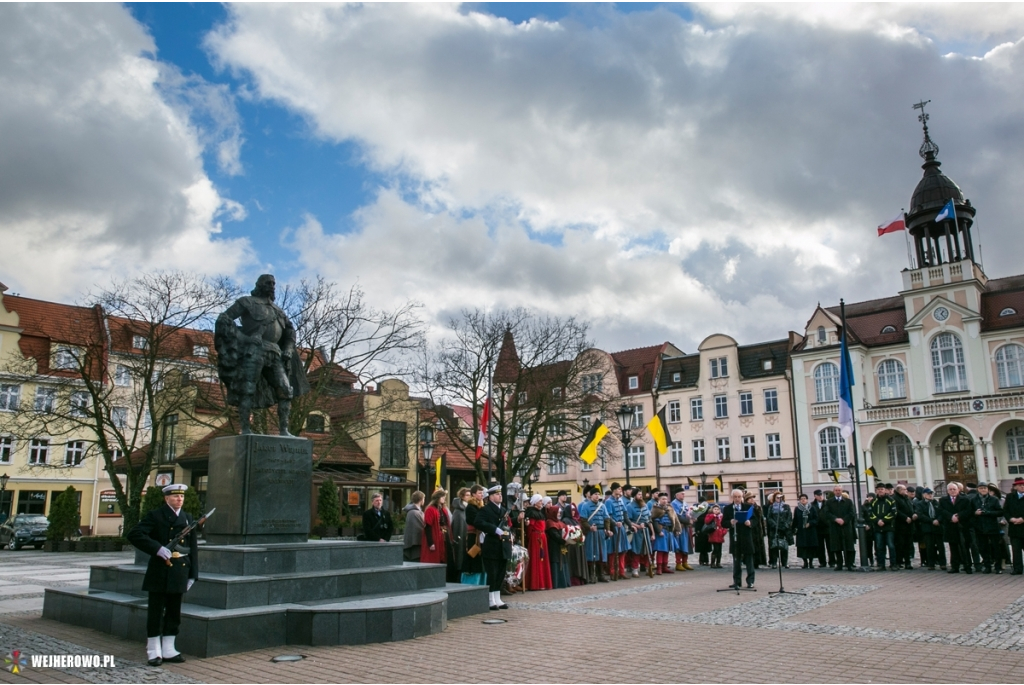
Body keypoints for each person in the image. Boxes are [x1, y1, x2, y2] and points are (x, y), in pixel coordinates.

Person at [214, 274, 310, 435]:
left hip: (275, 353)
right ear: (259, 285)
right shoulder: (246, 302)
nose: (271, 285)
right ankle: (245, 429)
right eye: (268, 283)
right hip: (254, 352)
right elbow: (224, 319)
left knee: (286, 390)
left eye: (273, 283)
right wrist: (245, 338)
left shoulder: (278, 311)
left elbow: (290, 331)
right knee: (247, 389)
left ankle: (284, 431)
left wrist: (288, 348)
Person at [126, 484, 199, 666]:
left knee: (174, 612)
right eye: (175, 497)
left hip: (180, 569)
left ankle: (169, 649)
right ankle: (153, 650)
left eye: (181, 497)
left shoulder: (187, 518)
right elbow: (134, 534)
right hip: (160, 570)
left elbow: (193, 549)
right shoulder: (155, 515)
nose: (179, 500)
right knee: (156, 612)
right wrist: (157, 548)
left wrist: (193, 574)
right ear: (167, 498)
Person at [475, 483, 512, 610]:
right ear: (490, 497)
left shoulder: (503, 510)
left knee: (501, 573)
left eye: (500, 494)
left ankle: (497, 598)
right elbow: (478, 522)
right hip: (492, 545)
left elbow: (507, 526)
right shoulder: (485, 510)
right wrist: (494, 529)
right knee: (492, 573)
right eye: (497, 494)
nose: (500, 496)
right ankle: (490, 599)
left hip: (503, 545)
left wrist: (509, 534)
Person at [938, 482, 974, 574]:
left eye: (954, 489)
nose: (953, 491)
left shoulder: (965, 499)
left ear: (958, 490)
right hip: (950, 526)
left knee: (964, 547)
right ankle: (955, 566)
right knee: (953, 547)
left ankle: (967, 566)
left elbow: (969, 510)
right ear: (947, 491)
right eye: (950, 489)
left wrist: (958, 516)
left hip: (962, 526)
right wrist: (951, 517)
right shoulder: (943, 500)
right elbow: (941, 510)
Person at [724, 489, 756, 589]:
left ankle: (750, 581)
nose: (737, 499)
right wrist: (730, 522)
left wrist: (750, 523)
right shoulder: (728, 508)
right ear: (732, 497)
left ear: (742, 497)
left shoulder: (748, 507)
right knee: (736, 560)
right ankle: (737, 581)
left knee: (749, 560)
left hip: (746, 536)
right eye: (735, 497)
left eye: (739, 497)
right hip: (735, 537)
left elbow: (755, 520)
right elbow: (723, 523)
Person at [579, 487, 610, 583]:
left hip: (600, 533)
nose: (597, 496)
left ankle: (601, 575)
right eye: (595, 494)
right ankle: (592, 575)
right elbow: (583, 520)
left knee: (601, 554)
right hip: (591, 533)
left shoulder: (602, 506)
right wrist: (589, 527)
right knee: (592, 554)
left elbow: (606, 519)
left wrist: (607, 529)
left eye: (598, 494)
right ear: (591, 495)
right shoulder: (585, 506)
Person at [822, 485, 857, 571]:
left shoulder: (848, 501)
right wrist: (835, 519)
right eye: (836, 490)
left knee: (849, 546)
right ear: (834, 492)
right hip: (835, 526)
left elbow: (852, 513)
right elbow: (826, 513)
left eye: (839, 490)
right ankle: (839, 564)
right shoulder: (829, 502)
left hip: (846, 526)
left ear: (842, 491)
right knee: (837, 546)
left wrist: (844, 520)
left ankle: (849, 564)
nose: (838, 492)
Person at [973, 482, 1004, 574]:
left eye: (985, 488)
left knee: (996, 547)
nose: (983, 490)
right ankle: (987, 566)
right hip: (980, 527)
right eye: (981, 488)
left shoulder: (993, 499)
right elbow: (970, 512)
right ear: (978, 489)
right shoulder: (974, 500)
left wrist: (988, 512)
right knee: (983, 547)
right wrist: (975, 513)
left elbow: (1000, 512)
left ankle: (998, 567)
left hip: (992, 527)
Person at [524, 494, 553, 590]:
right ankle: (535, 583)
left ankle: (543, 583)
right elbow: (530, 528)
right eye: (540, 501)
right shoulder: (531, 513)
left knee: (543, 559)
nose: (541, 502)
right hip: (536, 538)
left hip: (542, 537)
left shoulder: (540, 513)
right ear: (535, 502)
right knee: (536, 559)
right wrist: (531, 538)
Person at [867, 482, 897, 571]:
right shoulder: (873, 501)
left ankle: (893, 564)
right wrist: (877, 521)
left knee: (891, 546)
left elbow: (894, 513)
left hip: (888, 528)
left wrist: (884, 520)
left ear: (885, 490)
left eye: (882, 489)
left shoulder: (891, 500)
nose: (880, 491)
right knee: (879, 547)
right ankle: (881, 564)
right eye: (879, 489)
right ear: (876, 491)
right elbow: (870, 513)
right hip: (877, 528)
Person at [914, 488, 946, 570]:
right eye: (928, 494)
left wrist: (938, 520)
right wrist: (931, 521)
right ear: (924, 495)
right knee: (929, 546)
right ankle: (931, 563)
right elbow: (920, 515)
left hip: (938, 527)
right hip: (927, 528)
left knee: (940, 546)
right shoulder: (920, 504)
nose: (930, 495)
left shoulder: (936, 503)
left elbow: (941, 513)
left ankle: (943, 563)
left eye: (931, 494)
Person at [604, 483, 630, 580]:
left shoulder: (621, 500)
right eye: (619, 489)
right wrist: (615, 523)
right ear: (614, 490)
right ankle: (612, 572)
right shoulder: (609, 502)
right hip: (614, 528)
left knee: (623, 550)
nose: (620, 490)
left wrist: (630, 525)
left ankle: (621, 571)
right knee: (613, 552)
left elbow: (625, 514)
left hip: (621, 528)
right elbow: (608, 516)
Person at [461, 485, 487, 585]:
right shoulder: (471, 507)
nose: (481, 495)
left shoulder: (480, 506)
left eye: (482, 493)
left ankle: (481, 583)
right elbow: (476, 521)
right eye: (479, 493)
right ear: (473, 494)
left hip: (480, 536)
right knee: (473, 557)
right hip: (473, 537)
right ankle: (471, 583)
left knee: (480, 560)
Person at [626, 487, 654, 577]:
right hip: (637, 531)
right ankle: (635, 570)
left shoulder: (644, 505)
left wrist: (652, 533)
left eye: (641, 495)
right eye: (639, 494)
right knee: (636, 551)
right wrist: (637, 526)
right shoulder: (629, 506)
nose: (641, 496)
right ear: (634, 496)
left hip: (645, 530)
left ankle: (647, 568)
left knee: (647, 551)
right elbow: (628, 521)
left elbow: (649, 519)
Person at [651, 493, 680, 574]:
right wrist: (659, 531)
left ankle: (664, 567)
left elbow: (675, 519)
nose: (664, 501)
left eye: (666, 499)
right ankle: (659, 568)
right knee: (660, 550)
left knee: (666, 550)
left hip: (669, 531)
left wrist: (676, 529)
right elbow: (654, 521)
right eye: (663, 499)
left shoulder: (670, 508)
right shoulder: (656, 509)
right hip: (661, 531)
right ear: (659, 500)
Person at [421, 489, 452, 565]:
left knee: (446, 557)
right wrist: (431, 543)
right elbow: (428, 526)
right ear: (437, 498)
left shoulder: (443, 509)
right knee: (434, 558)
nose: (444, 499)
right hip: (435, 537)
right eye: (442, 497)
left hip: (444, 536)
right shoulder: (430, 509)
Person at [544, 504, 571, 588]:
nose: (559, 514)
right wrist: (564, 541)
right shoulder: (550, 522)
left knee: (563, 561)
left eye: (560, 512)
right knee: (556, 562)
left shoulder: (560, 522)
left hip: (561, 546)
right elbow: (554, 535)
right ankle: (557, 583)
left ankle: (564, 582)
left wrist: (569, 539)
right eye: (558, 512)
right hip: (554, 547)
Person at [766, 491, 793, 569]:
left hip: (784, 530)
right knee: (774, 546)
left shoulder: (786, 506)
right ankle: (774, 562)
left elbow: (789, 517)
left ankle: (785, 563)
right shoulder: (771, 507)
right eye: (777, 497)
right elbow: (769, 517)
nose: (779, 499)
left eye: (780, 497)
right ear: (774, 498)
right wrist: (775, 525)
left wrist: (786, 525)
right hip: (775, 530)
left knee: (784, 547)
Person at [449, 488, 470, 582]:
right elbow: (457, 526)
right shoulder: (458, 510)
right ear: (462, 496)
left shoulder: (467, 508)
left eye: (470, 495)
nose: (469, 497)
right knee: (459, 558)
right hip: (460, 538)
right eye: (467, 495)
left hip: (467, 537)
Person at [793, 494, 818, 569]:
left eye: (804, 498)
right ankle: (805, 562)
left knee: (811, 547)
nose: (803, 500)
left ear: (807, 499)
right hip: (801, 531)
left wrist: (810, 523)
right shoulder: (797, 509)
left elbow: (816, 518)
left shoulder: (812, 508)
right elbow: (795, 519)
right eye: (801, 499)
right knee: (802, 547)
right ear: (800, 500)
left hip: (810, 530)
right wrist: (793, 528)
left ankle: (811, 562)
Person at [671, 489, 694, 571]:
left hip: (686, 527)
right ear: (677, 495)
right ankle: (678, 563)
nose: (683, 495)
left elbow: (688, 513)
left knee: (686, 544)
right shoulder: (673, 503)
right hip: (679, 527)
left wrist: (692, 518)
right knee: (679, 545)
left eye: (684, 494)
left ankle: (685, 562)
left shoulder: (685, 503)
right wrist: (687, 521)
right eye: (682, 494)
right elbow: (676, 515)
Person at [893, 484, 915, 570]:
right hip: (900, 526)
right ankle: (899, 562)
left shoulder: (907, 498)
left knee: (908, 545)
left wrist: (913, 515)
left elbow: (911, 508)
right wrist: (905, 517)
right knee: (900, 545)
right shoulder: (895, 498)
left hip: (909, 525)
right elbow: (896, 511)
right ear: (899, 490)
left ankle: (907, 562)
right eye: (904, 489)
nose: (906, 491)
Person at [1005, 477, 1024, 575]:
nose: (1022, 487)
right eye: (1020, 485)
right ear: (1015, 487)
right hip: (1014, 528)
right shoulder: (1010, 497)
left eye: (1023, 485)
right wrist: (1010, 519)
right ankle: (1017, 569)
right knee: (1016, 550)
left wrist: (1022, 519)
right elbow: (1006, 510)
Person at [402, 491, 425, 562]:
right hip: (414, 545)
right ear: (421, 500)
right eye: (424, 498)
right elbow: (419, 528)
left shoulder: (413, 511)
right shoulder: (414, 512)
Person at [812, 490, 833, 567]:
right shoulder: (812, 504)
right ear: (815, 496)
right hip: (818, 528)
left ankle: (832, 561)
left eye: (821, 495)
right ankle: (822, 562)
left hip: (827, 527)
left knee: (830, 546)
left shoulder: (828, 503)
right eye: (818, 495)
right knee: (820, 547)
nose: (820, 496)